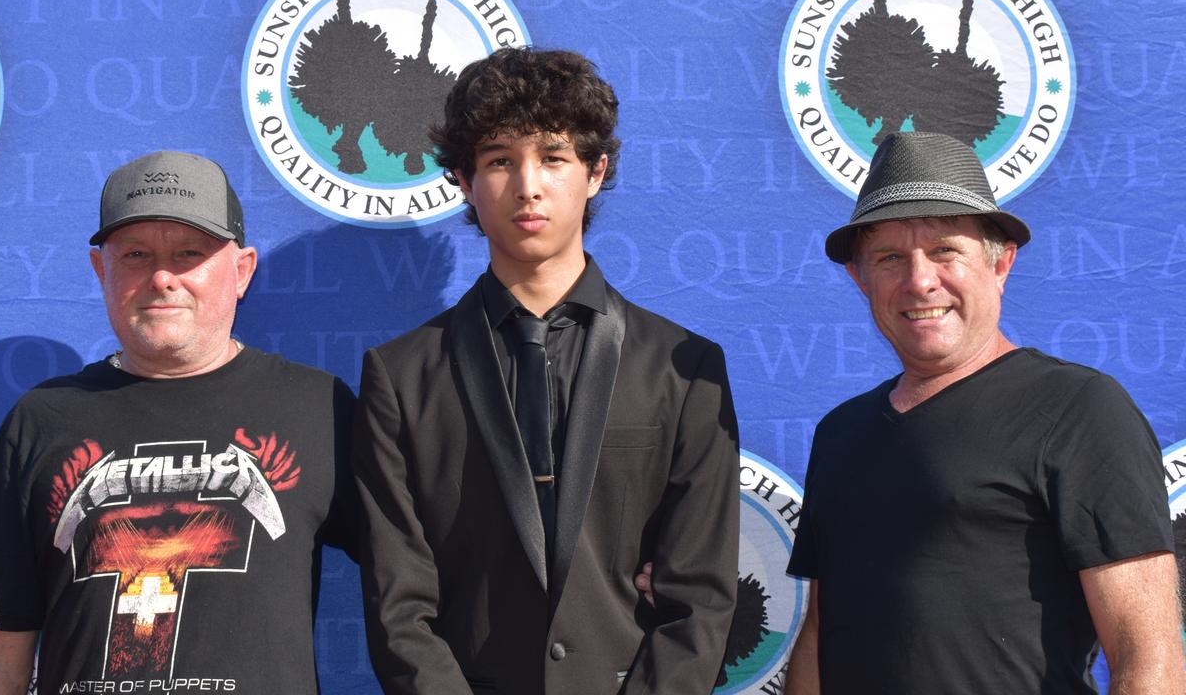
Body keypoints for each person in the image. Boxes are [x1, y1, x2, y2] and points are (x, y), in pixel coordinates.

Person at [352, 47, 739, 695]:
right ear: (462, 181)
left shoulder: (686, 370)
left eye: (553, 157)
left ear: (595, 172)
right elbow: (399, 608)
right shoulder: (401, 378)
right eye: (500, 160)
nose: (527, 185)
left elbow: (699, 601)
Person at [784, 131, 1184, 694]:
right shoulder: (840, 433)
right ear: (860, 278)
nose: (920, 280)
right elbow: (821, 635)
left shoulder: (1079, 411)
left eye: (945, 250)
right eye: (891, 257)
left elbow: (1149, 659)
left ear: (1001, 265)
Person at [0, 151, 357, 694]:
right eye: (136, 254)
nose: (162, 277)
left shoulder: (316, 406)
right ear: (101, 270)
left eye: (190, 253)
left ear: (241, 270)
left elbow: (417, 584)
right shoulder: (42, 418)